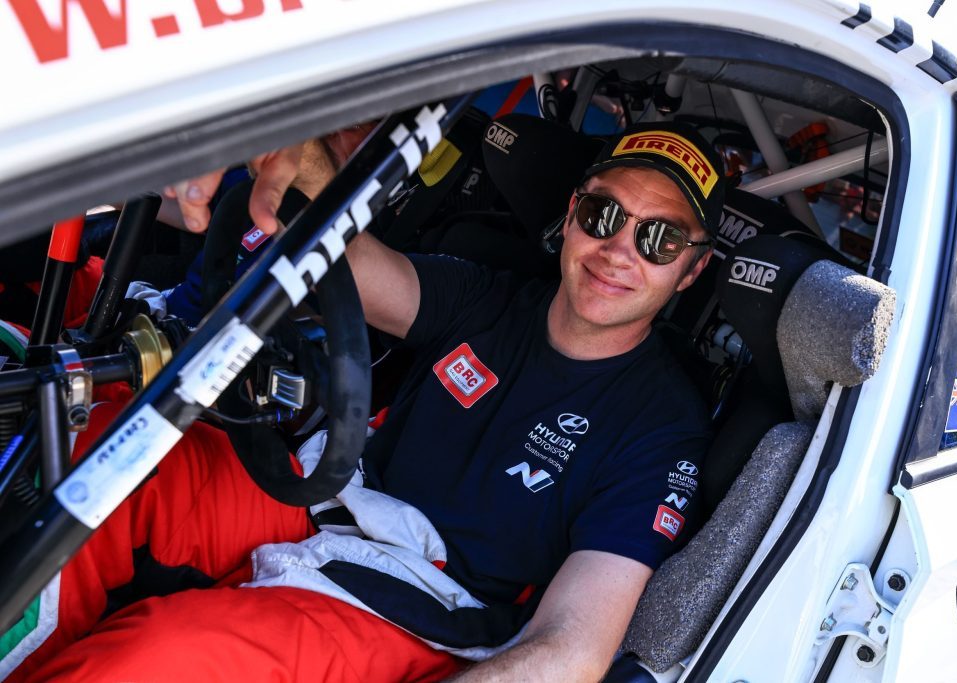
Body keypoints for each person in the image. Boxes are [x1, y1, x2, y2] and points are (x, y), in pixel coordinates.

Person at [6, 120, 724, 682]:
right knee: (108, 448)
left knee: (160, 657)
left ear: (691, 271)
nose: (619, 249)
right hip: (328, 494)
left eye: (660, 239)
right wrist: (300, 154)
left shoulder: (661, 427)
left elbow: (573, 649)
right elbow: (356, 261)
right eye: (605, 215)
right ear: (572, 215)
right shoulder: (496, 298)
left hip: (417, 603)